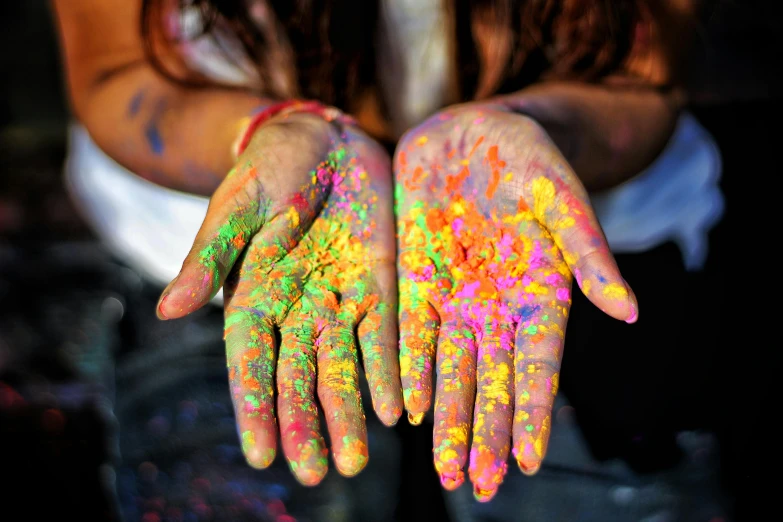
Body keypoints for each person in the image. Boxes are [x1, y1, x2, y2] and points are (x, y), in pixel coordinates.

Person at [52, 0, 726, 518]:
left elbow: (644, 81)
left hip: (541, 268)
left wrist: (536, 126)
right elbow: (115, 71)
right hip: (268, 273)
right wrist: (265, 133)